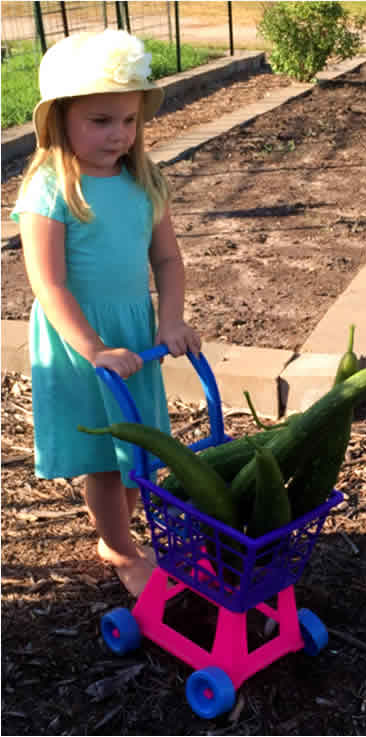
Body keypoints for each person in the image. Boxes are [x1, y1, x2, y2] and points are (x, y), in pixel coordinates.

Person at [11, 29, 201, 598]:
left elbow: (167, 259)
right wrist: (94, 349)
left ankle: (121, 529)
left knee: (139, 449)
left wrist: (171, 320)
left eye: (128, 120)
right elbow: (48, 283)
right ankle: (118, 547)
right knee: (105, 456)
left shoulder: (144, 181)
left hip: (134, 335)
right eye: (100, 120)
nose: (119, 133)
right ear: (60, 119)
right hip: (80, 340)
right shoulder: (50, 189)